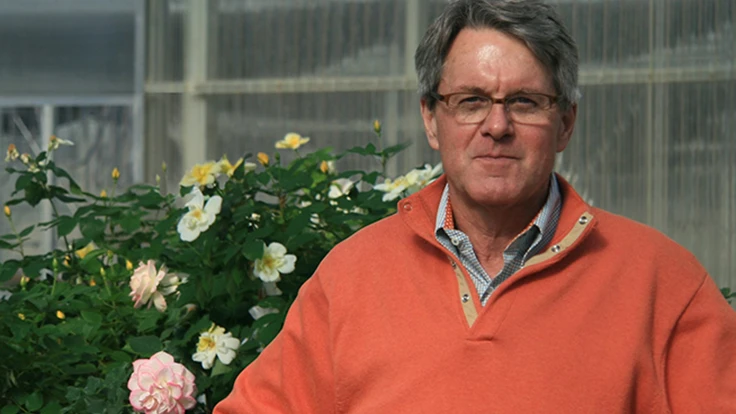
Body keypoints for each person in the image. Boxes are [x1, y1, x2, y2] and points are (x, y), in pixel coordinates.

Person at [215, 0, 736, 412]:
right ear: (430, 119)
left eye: (525, 102)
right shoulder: (350, 279)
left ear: (566, 123)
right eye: (471, 101)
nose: (497, 126)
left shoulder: (663, 283)